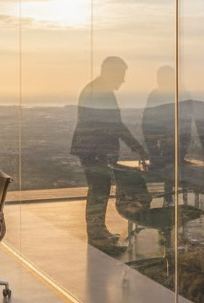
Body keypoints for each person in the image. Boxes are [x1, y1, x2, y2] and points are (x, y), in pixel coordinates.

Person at [71, 56, 147, 249]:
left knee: (99, 190)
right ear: (111, 72)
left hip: (92, 150)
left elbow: (113, 125)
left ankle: (98, 231)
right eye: (121, 74)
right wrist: (137, 147)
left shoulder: (97, 89)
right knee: (99, 190)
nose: (123, 79)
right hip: (95, 151)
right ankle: (96, 235)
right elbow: (116, 125)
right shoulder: (100, 92)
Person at [141, 64, 191, 206]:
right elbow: (147, 124)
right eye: (158, 78)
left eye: (160, 78)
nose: (158, 81)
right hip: (167, 149)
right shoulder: (180, 95)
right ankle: (169, 202)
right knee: (169, 172)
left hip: (171, 149)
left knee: (169, 172)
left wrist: (155, 153)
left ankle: (169, 202)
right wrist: (154, 152)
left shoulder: (177, 96)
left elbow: (186, 128)